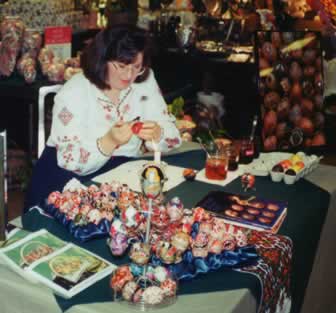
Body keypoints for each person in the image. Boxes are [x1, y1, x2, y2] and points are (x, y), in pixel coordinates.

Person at [24, 24, 181, 211]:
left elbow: (173, 136)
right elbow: (69, 160)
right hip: (69, 181)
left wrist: (157, 133)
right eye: (121, 66)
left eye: (137, 66)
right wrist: (108, 141)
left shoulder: (144, 80)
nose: (129, 75)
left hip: (122, 177)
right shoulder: (75, 92)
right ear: (102, 59)